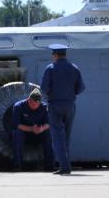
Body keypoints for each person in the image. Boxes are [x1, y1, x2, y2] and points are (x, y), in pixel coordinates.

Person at [41, 43, 85, 175]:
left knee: (57, 137)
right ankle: (65, 164)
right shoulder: (74, 68)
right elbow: (81, 88)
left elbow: (44, 89)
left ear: (55, 55)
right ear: (65, 55)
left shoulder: (50, 68)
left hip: (55, 105)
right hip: (70, 105)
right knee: (66, 136)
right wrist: (70, 94)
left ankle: (65, 167)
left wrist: (51, 94)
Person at [11, 88, 54, 172]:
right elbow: (17, 125)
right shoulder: (18, 106)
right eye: (32, 103)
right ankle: (17, 165)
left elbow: (48, 123)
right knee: (17, 133)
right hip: (24, 133)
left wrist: (42, 129)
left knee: (49, 134)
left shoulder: (45, 107)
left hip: (39, 133)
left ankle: (49, 165)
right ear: (28, 99)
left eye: (36, 104)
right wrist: (31, 129)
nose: (34, 106)